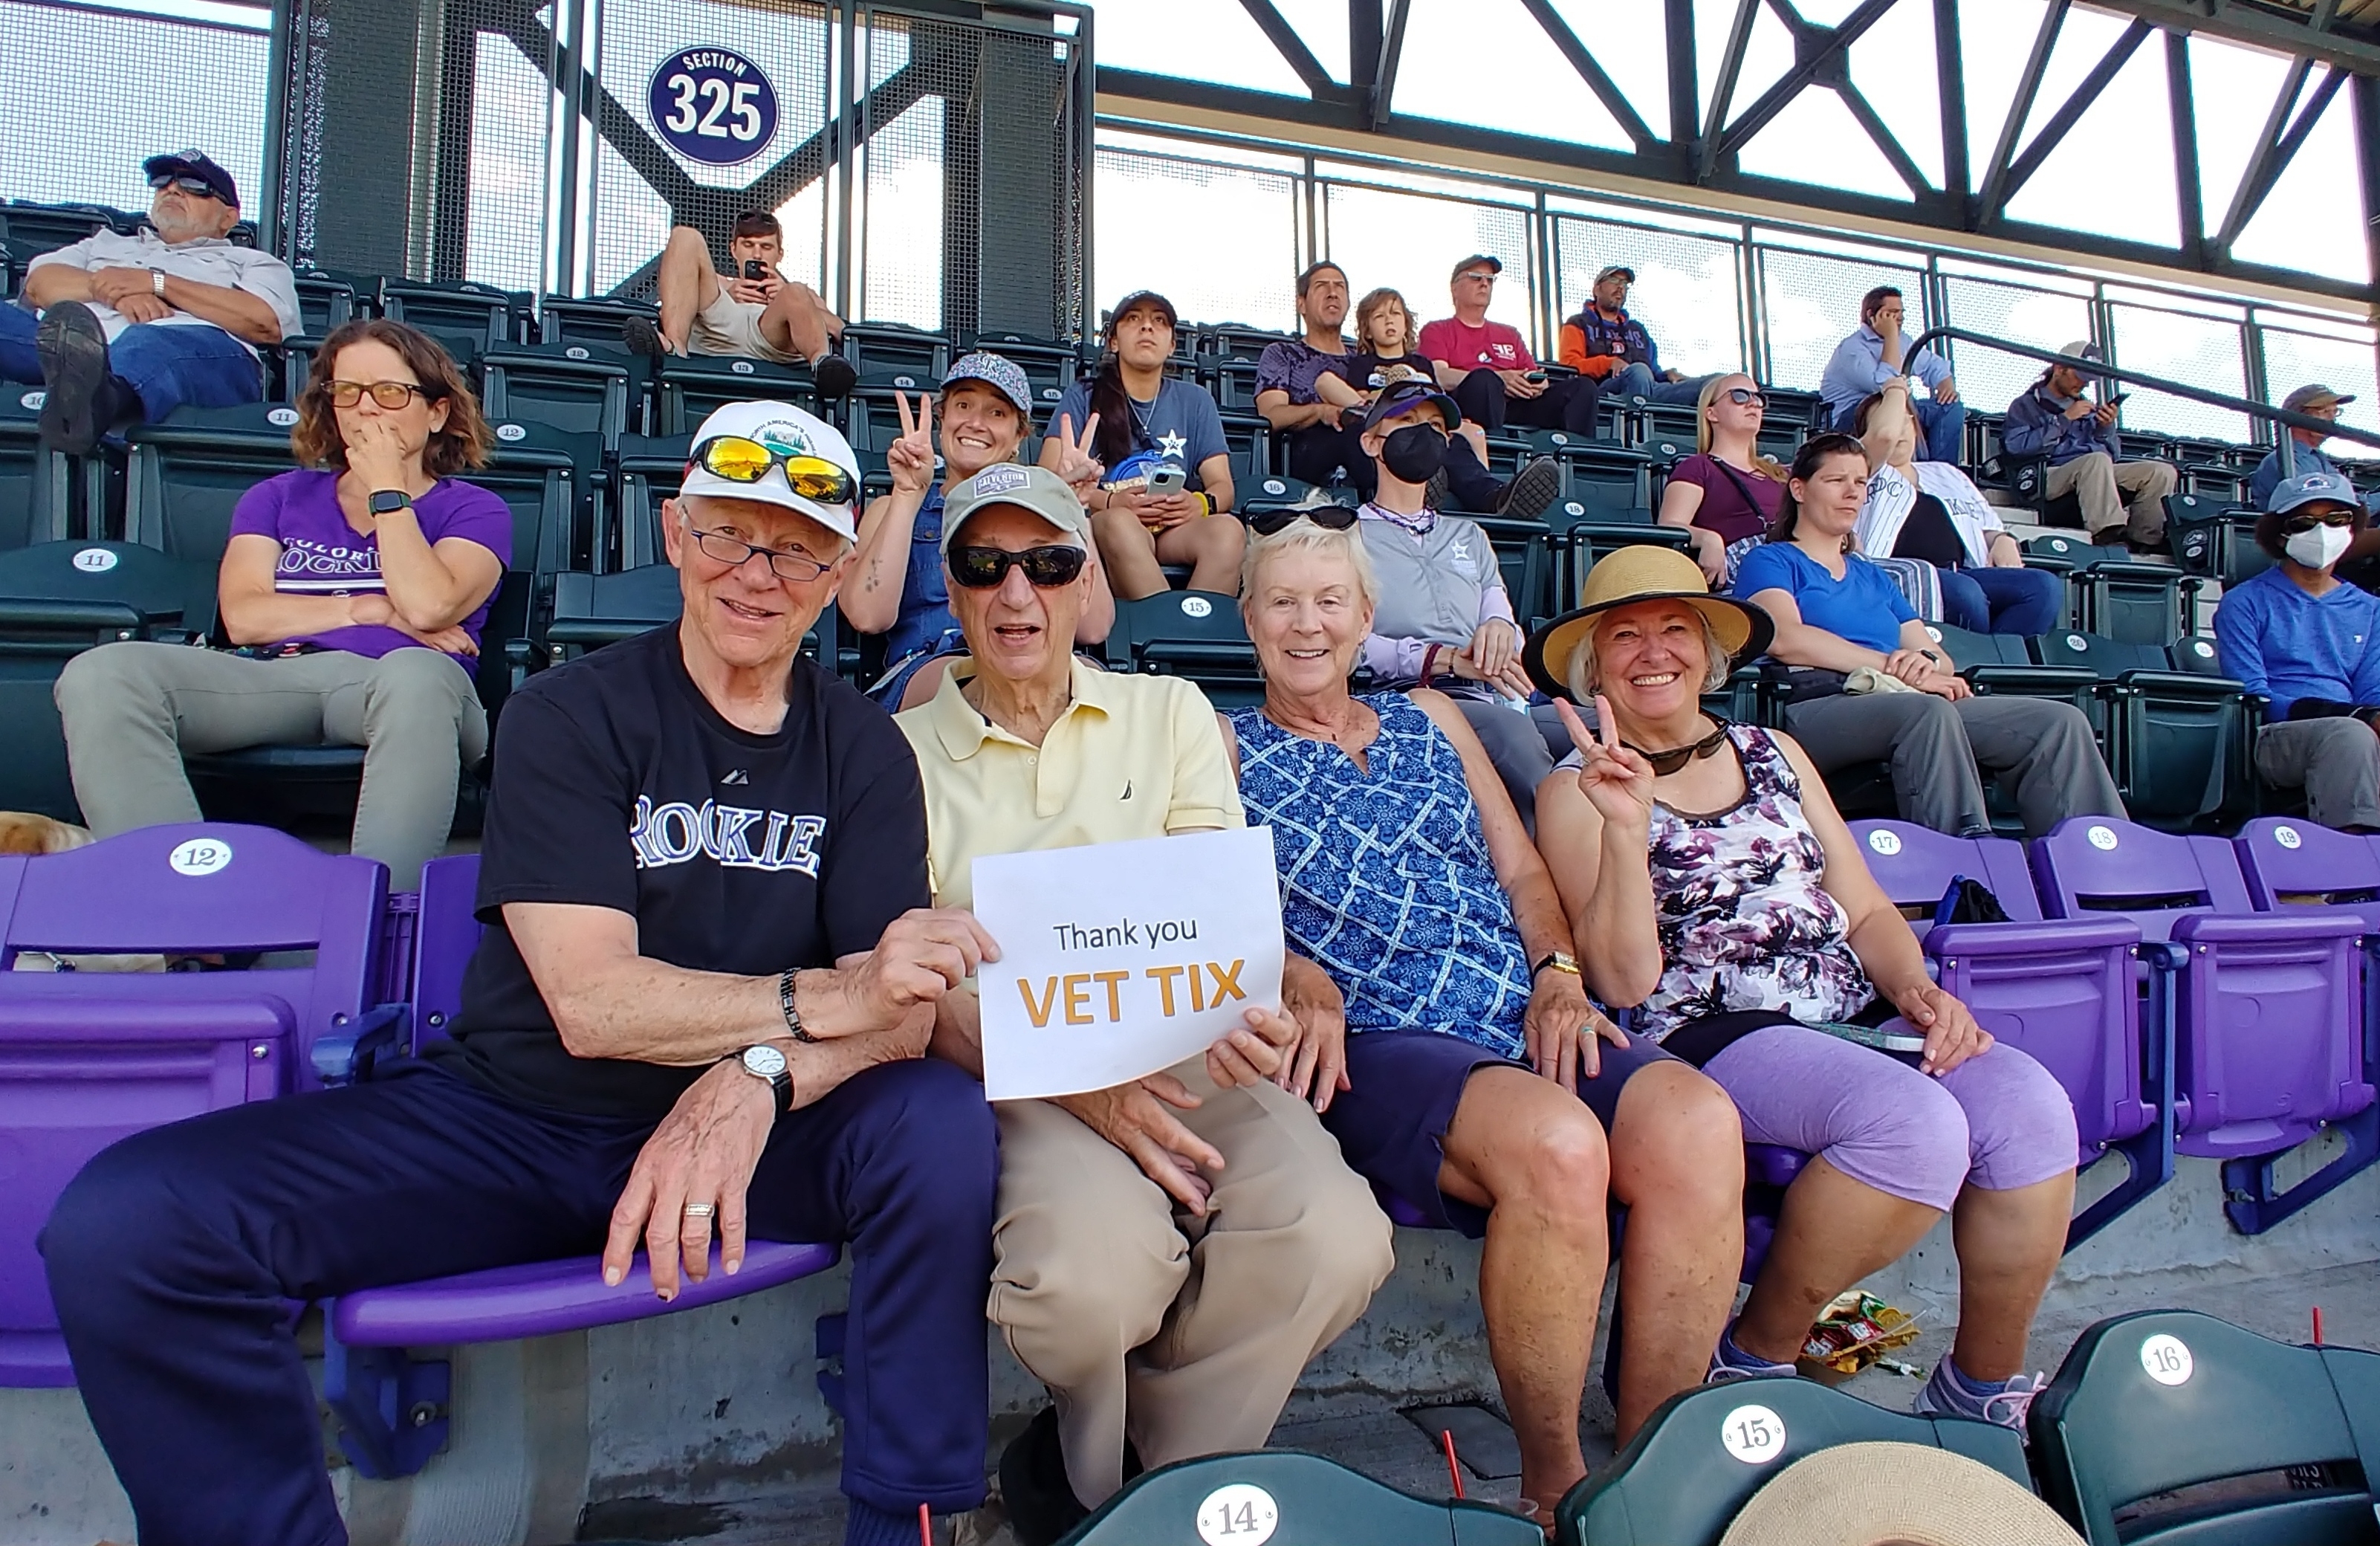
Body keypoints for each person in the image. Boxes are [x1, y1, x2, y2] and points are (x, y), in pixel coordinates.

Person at [42, 399, 1003, 1546]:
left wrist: (760, 1075)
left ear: (838, 572)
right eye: (728, 534)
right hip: (517, 1123)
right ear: (673, 532)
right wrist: (821, 1003)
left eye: (796, 550)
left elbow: (894, 1015)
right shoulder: (569, 710)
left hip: (758, 1135)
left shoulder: (862, 747)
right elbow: (595, 1005)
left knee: (932, 1123)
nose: (757, 574)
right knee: (129, 1226)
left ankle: (907, 1526)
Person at [894, 465, 1391, 1546]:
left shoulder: (1167, 711)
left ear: (1085, 585)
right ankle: (1122, 1487)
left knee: (1337, 1238)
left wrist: (1250, 997)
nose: (1017, 592)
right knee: (1086, 1290)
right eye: (985, 565)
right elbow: (918, 989)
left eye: (1048, 563)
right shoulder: (901, 752)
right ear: (953, 585)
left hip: (1184, 1042)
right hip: (1016, 1066)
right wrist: (1088, 1088)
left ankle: (1112, 1490)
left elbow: (1213, 910)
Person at [1224, 514, 1744, 1525]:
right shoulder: (1219, 744)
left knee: (1695, 1121)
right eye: (1281, 602)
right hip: (1374, 1036)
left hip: (1516, 1008)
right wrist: (1285, 965)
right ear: (1248, 620)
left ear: (1365, 617)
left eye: (1329, 601)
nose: (1306, 624)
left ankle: (1655, 1458)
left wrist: (1556, 971)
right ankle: (1555, 1486)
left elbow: (1519, 870)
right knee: (1558, 1146)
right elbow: (1197, 901)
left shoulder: (1433, 715)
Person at [1528, 544, 2081, 1434]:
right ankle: (1753, 1353)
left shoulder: (1773, 749)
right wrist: (1625, 829)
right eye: (1623, 636)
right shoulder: (1575, 790)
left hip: (1848, 1009)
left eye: (1674, 629)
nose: (1653, 651)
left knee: (2030, 1108)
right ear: (1593, 666)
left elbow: (1862, 907)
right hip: (1710, 1026)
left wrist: (1918, 990)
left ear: (1708, 651)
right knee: (1912, 1128)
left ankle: (1978, 1385)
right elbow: (1622, 979)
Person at [53, 318, 506, 890]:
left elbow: (430, 607)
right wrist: (368, 609)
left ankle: (375, 910)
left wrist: (387, 491)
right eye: (349, 392)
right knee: (104, 672)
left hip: (406, 687)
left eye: (391, 392)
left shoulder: (474, 509)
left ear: (436, 412)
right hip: (276, 676)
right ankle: (175, 902)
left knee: (416, 674)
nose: (367, 408)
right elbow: (245, 617)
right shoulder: (277, 496)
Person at [1731, 433, 2124, 838]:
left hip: (1899, 697)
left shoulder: (1872, 575)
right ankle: (1968, 858)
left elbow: (1937, 657)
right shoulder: (1771, 559)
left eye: (1860, 482)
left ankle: (2104, 855)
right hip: (1815, 704)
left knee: (2058, 722)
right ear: (1799, 489)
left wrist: (1924, 664)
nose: (1852, 493)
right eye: (1836, 481)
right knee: (1928, 712)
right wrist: (1890, 666)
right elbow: (1784, 638)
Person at [1349, 381, 1574, 825]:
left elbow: (1500, 615)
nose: (1425, 434)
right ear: (1372, 442)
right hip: (1402, 697)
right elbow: (1345, 642)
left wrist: (1500, 633)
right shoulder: (1344, 537)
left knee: (1610, 724)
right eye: (1408, 421)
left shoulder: (1469, 535)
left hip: (1492, 695)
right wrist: (1443, 658)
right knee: (1513, 734)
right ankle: (1547, 860)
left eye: (1436, 426)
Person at [843, 352, 1114, 708]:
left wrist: (1073, 508)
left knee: (1096, 683)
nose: (975, 423)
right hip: (931, 670)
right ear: (942, 417)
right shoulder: (892, 506)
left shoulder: (1046, 515)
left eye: (996, 413)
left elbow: (1094, 628)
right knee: (968, 681)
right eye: (963, 405)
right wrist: (908, 495)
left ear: (1019, 436)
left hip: (1037, 660)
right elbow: (866, 616)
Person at [6, 148, 297, 453]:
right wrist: (120, 293)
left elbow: (266, 322)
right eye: (163, 182)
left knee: (145, 340)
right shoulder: (105, 243)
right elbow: (40, 284)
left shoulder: (253, 262)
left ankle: (95, 406)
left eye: (194, 186)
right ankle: (85, 393)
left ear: (229, 217)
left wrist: (158, 283)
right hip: (74, 343)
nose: (173, 189)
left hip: (186, 354)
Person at [1257, 265, 1557, 517]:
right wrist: (1321, 410)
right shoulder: (1283, 354)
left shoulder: (1364, 359)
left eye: (1340, 287)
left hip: (1387, 435)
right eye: (1322, 286)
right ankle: (1412, 490)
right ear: (1301, 303)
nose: (1333, 292)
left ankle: (1494, 498)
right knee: (1362, 426)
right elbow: (1271, 415)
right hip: (1317, 445)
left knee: (1438, 434)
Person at [1044, 291, 1243, 598]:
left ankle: (1197, 628)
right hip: (1111, 521)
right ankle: (1166, 626)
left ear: (1172, 344)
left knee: (1229, 532)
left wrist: (1199, 504)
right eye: (1133, 318)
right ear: (1113, 341)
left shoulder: (1196, 400)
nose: (1147, 327)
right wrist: (1111, 502)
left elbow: (1223, 486)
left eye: (1159, 321)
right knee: (1120, 523)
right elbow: (1048, 478)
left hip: (1173, 528)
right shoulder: (1083, 395)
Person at [2214, 471, 2380, 831]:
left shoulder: (2370, 609)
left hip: (2354, 725)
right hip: (2275, 735)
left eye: (2336, 519)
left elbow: (2372, 690)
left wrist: (2366, 715)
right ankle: (2352, 856)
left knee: (2354, 733)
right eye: (2304, 523)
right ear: (2280, 534)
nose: (2322, 531)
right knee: (2349, 735)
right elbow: (2253, 696)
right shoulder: (2243, 602)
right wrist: (2347, 715)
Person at [1855, 381, 2063, 637]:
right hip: (1898, 575)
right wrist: (1896, 388)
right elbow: (1883, 436)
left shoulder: (1946, 473)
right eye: (1891, 421)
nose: (1898, 432)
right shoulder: (1863, 472)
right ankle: (1972, 657)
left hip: (1963, 572)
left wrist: (2002, 539)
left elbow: (1988, 525)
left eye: (1905, 421)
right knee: (1966, 592)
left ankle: (1996, 659)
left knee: (2043, 586)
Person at [628, 211, 857, 398]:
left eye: (766, 247)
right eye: (748, 245)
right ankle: (674, 350)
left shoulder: (797, 293)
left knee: (796, 291)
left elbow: (841, 330)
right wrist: (728, 292)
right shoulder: (718, 282)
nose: (757, 254)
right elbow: (673, 299)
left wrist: (782, 294)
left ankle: (823, 366)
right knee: (684, 236)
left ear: (780, 254)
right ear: (733, 249)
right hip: (717, 331)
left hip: (772, 339)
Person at [2003, 342, 2176, 552]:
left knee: (2160, 471)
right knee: (2096, 461)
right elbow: (2017, 448)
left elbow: (2113, 457)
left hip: (2094, 473)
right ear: (2059, 368)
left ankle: (2145, 542)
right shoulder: (2025, 405)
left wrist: (2106, 427)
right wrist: (2063, 420)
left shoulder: (2088, 407)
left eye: (2089, 379)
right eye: (2079, 376)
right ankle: (2108, 533)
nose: (2084, 384)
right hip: (2046, 475)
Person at [1419, 253, 1603, 441]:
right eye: (1476, 278)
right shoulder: (1437, 330)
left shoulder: (1509, 333)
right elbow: (1439, 375)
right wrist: (1500, 379)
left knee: (1583, 388)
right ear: (1454, 288)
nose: (1484, 284)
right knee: (1484, 379)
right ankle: (1493, 450)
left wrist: (1535, 384)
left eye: (1490, 279)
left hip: (1517, 404)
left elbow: (1536, 376)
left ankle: (1579, 453)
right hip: (1470, 405)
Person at [1657, 372, 1787, 586]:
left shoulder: (1781, 474)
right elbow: (1669, 527)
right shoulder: (1698, 467)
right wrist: (1708, 538)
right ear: (1712, 413)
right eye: (1739, 396)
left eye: (1758, 398)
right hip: (1744, 580)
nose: (1753, 403)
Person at [1819, 286, 1961, 463]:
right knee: (1892, 405)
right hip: (1853, 416)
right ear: (1872, 315)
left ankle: (1941, 469)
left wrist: (1946, 386)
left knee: (1949, 406)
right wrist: (1891, 336)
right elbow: (1886, 385)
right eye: (1892, 312)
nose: (1900, 318)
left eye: (1901, 312)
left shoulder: (1903, 341)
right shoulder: (1852, 348)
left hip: (1893, 408)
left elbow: (1934, 366)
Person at [1557, 265, 1717, 406]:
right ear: (1597, 289)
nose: (1620, 287)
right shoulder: (1578, 323)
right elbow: (1569, 365)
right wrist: (1608, 363)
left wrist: (1667, 375)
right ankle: (1636, 428)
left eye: (1624, 284)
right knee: (1638, 371)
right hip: (1603, 394)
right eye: (1614, 280)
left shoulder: (1637, 330)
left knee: (1716, 383)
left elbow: (1653, 372)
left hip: (1650, 390)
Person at [2249, 384, 2379, 514]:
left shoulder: (2317, 459)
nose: (2332, 418)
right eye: (2324, 412)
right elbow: (2325, 506)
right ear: (2298, 417)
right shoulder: (2285, 460)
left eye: (2335, 412)